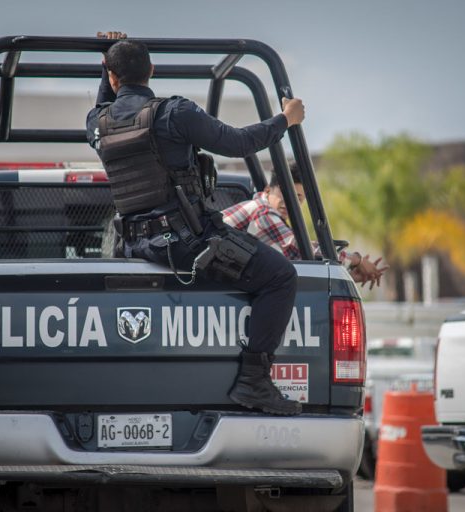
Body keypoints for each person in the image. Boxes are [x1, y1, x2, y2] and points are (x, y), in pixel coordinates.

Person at [86, 34, 305, 415]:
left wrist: (106, 63)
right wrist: (285, 119)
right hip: (188, 245)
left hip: (134, 245)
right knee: (281, 276)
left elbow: (106, 103)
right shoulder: (174, 113)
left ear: (112, 77)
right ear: (152, 71)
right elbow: (238, 143)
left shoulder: (97, 123)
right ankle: (253, 382)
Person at [222, 163, 388, 288]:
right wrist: (356, 259)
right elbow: (301, 248)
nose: (290, 202)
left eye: (298, 198)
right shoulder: (262, 212)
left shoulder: (269, 219)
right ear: (267, 190)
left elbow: (296, 261)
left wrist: (348, 275)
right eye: (284, 193)